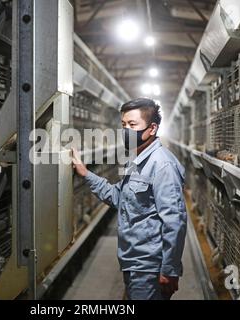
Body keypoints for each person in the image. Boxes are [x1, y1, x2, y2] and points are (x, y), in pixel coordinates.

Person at [71, 98, 187, 300]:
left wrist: (169, 270)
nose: (126, 130)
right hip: (133, 262)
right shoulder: (134, 160)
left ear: (152, 129)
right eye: (123, 125)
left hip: (149, 267)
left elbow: (175, 221)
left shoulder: (162, 165)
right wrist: (86, 173)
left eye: (132, 125)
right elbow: (119, 197)